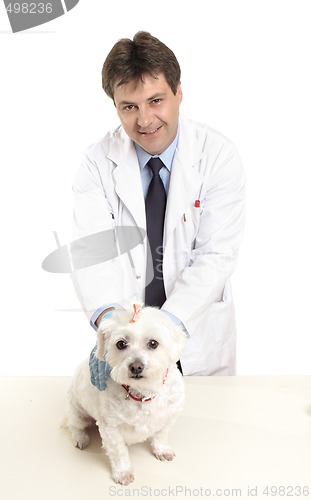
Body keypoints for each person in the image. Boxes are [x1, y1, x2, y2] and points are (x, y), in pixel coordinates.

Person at [71, 31, 245, 384]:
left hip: (198, 336)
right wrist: (110, 330)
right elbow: (92, 253)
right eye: (129, 107)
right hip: (128, 352)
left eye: (156, 100)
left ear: (179, 92)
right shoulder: (96, 163)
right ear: (115, 106)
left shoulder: (218, 156)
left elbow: (216, 255)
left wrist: (161, 331)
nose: (145, 120)